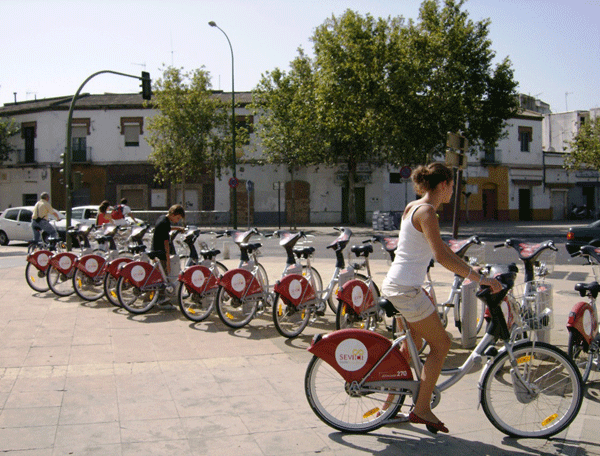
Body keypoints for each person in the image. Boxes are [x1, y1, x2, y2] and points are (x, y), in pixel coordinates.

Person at [381, 163, 502, 434]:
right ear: (445, 184)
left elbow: (441, 248)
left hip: (399, 284)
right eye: (452, 186)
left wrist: (472, 270)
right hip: (405, 289)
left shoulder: (414, 207)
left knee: (413, 344)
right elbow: (441, 256)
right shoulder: (428, 212)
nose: (454, 192)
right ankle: (421, 409)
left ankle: (388, 405)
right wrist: (478, 278)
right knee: (442, 343)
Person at [151, 204, 186, 277]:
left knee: (157, 275)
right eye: (178, 218)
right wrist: (168, 263)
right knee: (165, 277)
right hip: (161, 254)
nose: (178, 220)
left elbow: (167, 228)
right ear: (173, 214)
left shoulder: (162, 218)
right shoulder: (165, 223)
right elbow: (166, 244)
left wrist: (178, 228)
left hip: (154, 250)